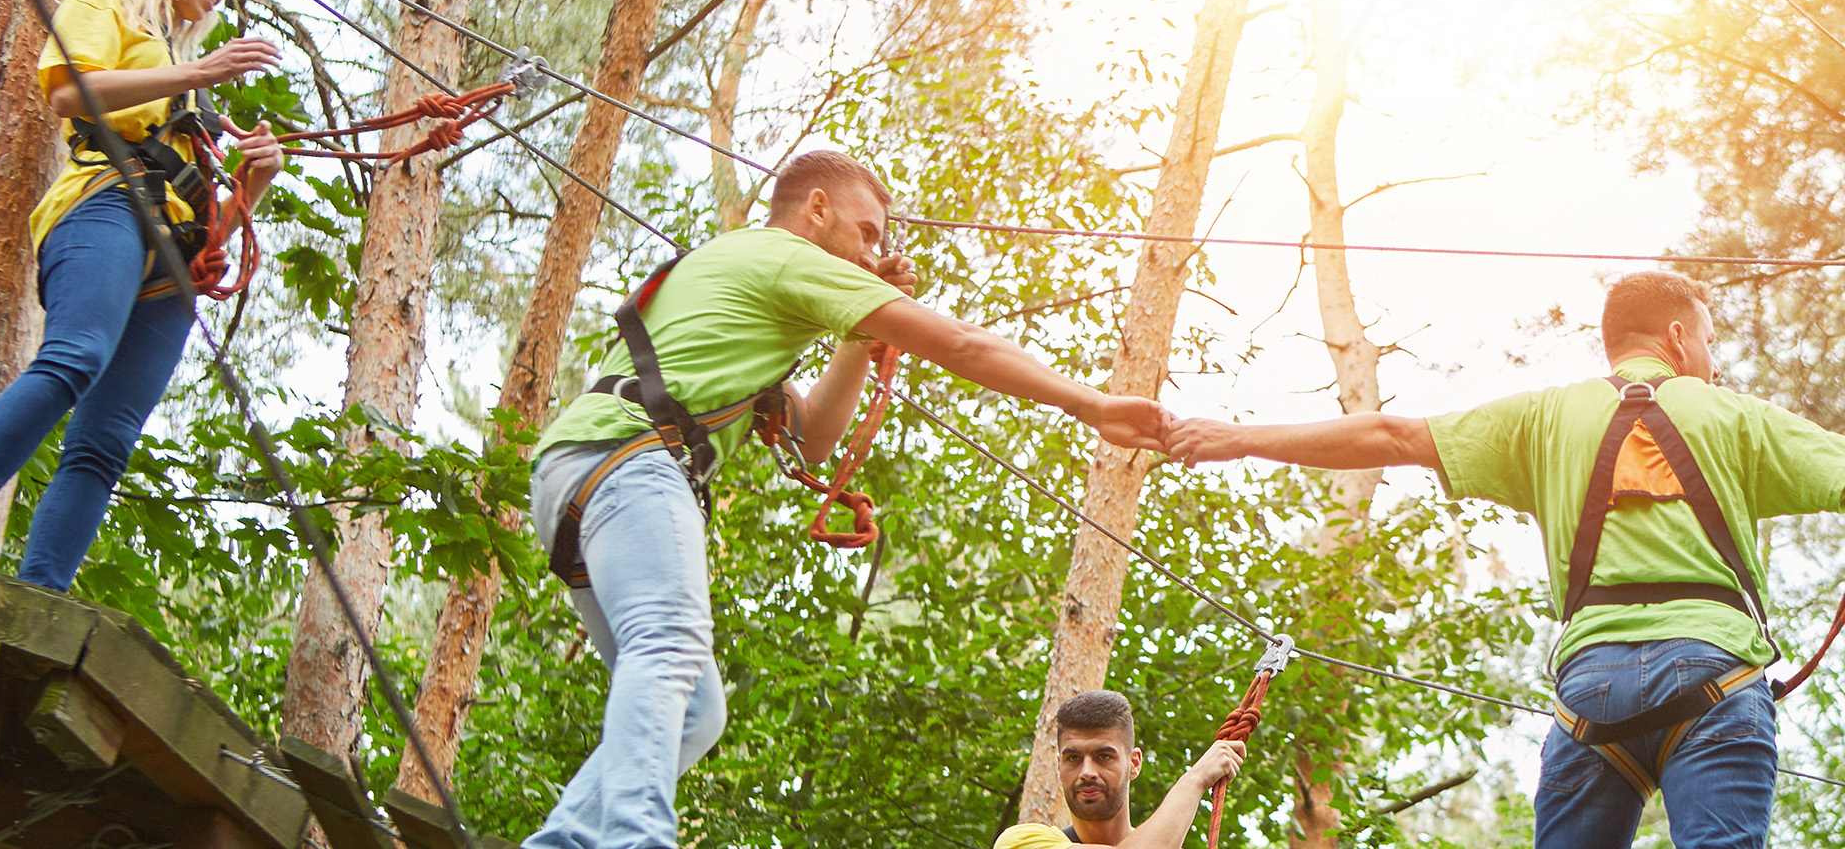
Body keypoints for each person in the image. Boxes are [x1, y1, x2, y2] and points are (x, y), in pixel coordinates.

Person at [523, 150, 1175, 849]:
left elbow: (813, 439)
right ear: (817, 208)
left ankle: (563, 844)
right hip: (632, 464)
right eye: (866, 232)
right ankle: (635, 839)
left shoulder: (742, 281)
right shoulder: (784, 255)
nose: (872, 253)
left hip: (582, 473)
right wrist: (1090, 404)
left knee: (697, 711)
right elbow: (958, 343)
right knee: (670, 645)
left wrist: (861, 338)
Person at [1167, 270, 1845, 849]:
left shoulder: (1544, 417)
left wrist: (1237, 438)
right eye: (1709, 340)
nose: (1714, 363)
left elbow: (1391, 435)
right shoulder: (1738, 416)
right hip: (1716, 675)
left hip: (1591, 695)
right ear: (1677, 337)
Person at [0, 0, 284, 591]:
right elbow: (70, 93)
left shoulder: (191, 84)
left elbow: (210, 239)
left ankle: (43, 598)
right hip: (105, 204)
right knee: (76, 356)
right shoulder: (104, 5)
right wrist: (197, 74)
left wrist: (252, 183)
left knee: (106, 443)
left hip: (173, 262)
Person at [993, 690, 1248, 849]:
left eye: (1104, 756)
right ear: (1059, 766)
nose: (1087, 772)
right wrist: (1195, 779)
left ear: (1134, 763)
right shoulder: (1020, 843)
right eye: (1073, 758)